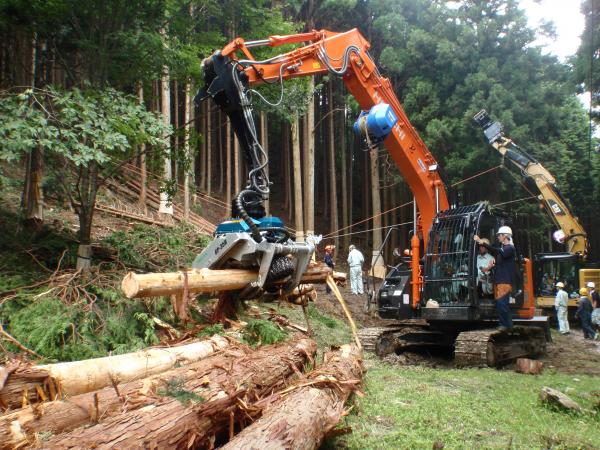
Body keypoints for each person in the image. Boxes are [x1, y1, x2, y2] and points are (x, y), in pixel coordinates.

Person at [474, 225, 515, 330]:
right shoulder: (503, 250)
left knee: (502, 304)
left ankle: (505, 325)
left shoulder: (509, 248)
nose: (498, 237)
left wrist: (482, 243)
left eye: (499, 235)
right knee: (500, 305)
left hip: (504, 281)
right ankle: (507, 325)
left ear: (505, 236)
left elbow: (497, 251)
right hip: (499, 281)